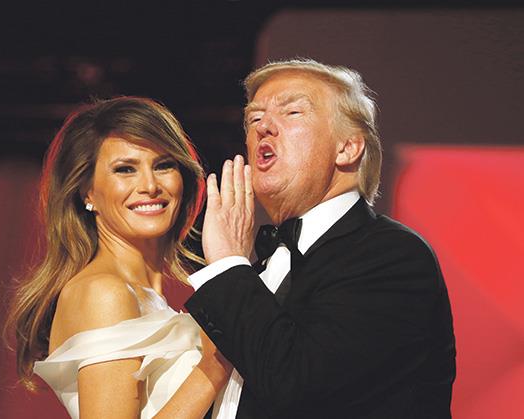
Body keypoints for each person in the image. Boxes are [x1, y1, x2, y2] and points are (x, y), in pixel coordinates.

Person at [184, 58, 456, 418]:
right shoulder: (258, 270)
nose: (263, 127)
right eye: (253, 118)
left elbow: (301, 388)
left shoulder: (392, 255)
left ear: (348, 148)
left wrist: (228, 265)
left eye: (292, 112)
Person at [4, 96, 231, 419]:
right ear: (87, 191)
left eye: (163, 165)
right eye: (126, 169)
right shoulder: (103, 293)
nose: (150, 185)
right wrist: (213, 369)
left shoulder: (151, 292)